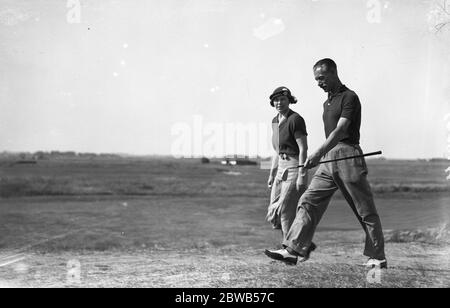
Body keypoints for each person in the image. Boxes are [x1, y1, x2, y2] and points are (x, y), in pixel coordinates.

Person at [265, 59, 387, 268]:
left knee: (364, 209)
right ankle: (292, 250)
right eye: (316, 79)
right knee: (308, 200)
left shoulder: (350, 97)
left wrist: (317, 153)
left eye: (321, 78)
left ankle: (377, 256)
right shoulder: (327, 102)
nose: (318, 83)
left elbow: (340, 130)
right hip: (328, 159)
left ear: (333, 73)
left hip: (347, 155)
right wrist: (322, 155)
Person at [265, 86, 309, 245]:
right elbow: (277, 151)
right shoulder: (275, 121)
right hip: (280, 166)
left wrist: (302, 174)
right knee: (274, 212)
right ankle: (298, 244)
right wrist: (272, 174)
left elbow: (303, 148)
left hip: (294, 166)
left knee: (284, 210)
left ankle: (289, 248)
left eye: (282, 99)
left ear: (289, 100)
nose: (279, 103)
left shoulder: (295, 119)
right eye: (276, 100)